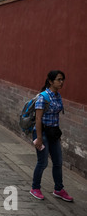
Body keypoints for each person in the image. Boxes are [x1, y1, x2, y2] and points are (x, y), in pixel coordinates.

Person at [30, 70, 73, 202]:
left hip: (53, 133)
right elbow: (38, 119)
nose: (61, 82)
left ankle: (59, 189)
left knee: (58, 162)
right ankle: (35, 188)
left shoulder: (58, 96)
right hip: (41, 133)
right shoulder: (43, 97)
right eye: (59, 80)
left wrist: (57, 134)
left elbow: (56, 116)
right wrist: (38, 138)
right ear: (50, 81)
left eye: (62, 80)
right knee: (43, 162)